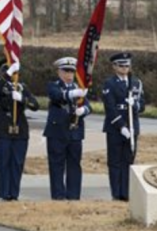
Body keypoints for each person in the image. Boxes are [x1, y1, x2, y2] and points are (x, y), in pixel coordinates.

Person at [0, 59, 39, 201]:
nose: (9, 72)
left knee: (17, 162)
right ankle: (4, 193)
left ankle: (14, 193)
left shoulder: (22, 87)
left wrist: (22, 98)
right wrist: (7, 75)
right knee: (3, 162)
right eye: (6, 70)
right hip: (3, 127)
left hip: (20, 128)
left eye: (12, 70)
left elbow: (35, 105)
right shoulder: (1, 86)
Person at [43, 56, 92, 200]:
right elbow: (57, 96)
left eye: (71, 72)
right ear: (59, 72)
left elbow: (88, 106)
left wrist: (83, 111)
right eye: (66, 71)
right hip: (57, 132)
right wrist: (72, 94)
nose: (69, 75)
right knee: (57, 165)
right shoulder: (54, 86)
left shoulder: (79, 88)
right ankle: (58, 196)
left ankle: (73, 195)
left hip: (75, 132)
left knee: (74, 165)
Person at [101, 52, 145, 201]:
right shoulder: (110, 83)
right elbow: (110, 107)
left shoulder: (136, 83)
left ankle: (126, 192)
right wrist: (121, 126)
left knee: (128, 160)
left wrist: (136, 105)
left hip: (133, 126)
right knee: (115, 161)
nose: (125, 68)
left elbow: (142, 105)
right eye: (121, 65)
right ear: (114, 67)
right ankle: (116, 192)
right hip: (115, 127)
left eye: (127, 65)